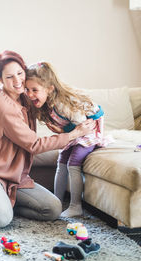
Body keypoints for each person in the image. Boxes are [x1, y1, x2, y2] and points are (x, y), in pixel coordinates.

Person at [0, 51, 96, 228]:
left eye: (20, 73)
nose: (17, 81)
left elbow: (50, 95)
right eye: (9, 77)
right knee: (0, 218)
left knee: (52, 209)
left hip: (14, 177)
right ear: (0, 80)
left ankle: (5, 204)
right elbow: (34, 145)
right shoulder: (3, 105)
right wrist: (74, 134)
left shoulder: (25, 96)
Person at [25, 62, 110, 217]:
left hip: (88, 128)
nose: (30, 94)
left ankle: (75, 206)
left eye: (34, 90)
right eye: (27, 90)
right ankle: (56, 202)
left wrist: (64, 131)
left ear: (50, 89)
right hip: (76, 131)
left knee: (73, 162)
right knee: (62, 160)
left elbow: (81, 125)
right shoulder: (46, 105)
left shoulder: (63, 104)